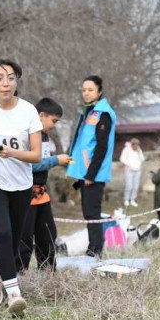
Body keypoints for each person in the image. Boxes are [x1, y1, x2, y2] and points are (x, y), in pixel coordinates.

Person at [0, 59, 43, 317]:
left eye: (11, 78)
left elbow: (37, 155)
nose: (5, 83)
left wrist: (13, 153)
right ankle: (14, 294)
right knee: (3, 233)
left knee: (14, 241)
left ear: (17, 81)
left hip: (21, 184)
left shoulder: (28, 111)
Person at [17, 97, 69, 273]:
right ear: (41, 116)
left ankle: (47, 274)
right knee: (24, 239)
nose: (54, 125)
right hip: (26, 196)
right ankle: (19, 276)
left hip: (42, 195)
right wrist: (56, 160)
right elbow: (32, 164)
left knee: (47, 237)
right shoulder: (27, 135)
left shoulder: (44, 136)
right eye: (53, 121)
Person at [66, 75, 117, 258]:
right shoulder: (89, 111)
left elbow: (102, 147)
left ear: (99, 92)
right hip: (83, 171)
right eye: (84, 90)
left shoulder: (103, 114)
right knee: (88, 213)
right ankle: (92, 248)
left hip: (93, 173)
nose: (86, 93)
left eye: (90, 90)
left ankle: (95, 250)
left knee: (93, 213)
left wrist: (91, 174)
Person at [120, 138, 145, 207]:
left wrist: (139, 152)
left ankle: (132, 199)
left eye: (138, 145)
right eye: (135, 145)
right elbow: (122, 158)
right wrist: (129, 164)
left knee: (135, 186)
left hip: (137, 170)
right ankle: (126, 199)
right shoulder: (126, 149)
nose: (136, 146)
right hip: (129, 170)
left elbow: (142, 159)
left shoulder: (139, 150)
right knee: (129, 186)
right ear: (132, 144)